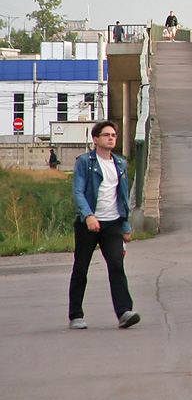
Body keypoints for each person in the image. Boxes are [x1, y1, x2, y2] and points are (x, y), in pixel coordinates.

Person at [69, 121, 140, 330]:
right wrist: (88, 215)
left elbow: (123, 196)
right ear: (96, 139)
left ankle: (124, 312)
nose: (111, 138)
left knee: (117, 267)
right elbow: (78, 192)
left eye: (114, 135)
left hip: (113, 223)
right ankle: (76, 315)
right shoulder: (85, 162)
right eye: (107, 135)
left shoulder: (120, 163)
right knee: (81, 268)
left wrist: (125, 225)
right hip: (88, 224)